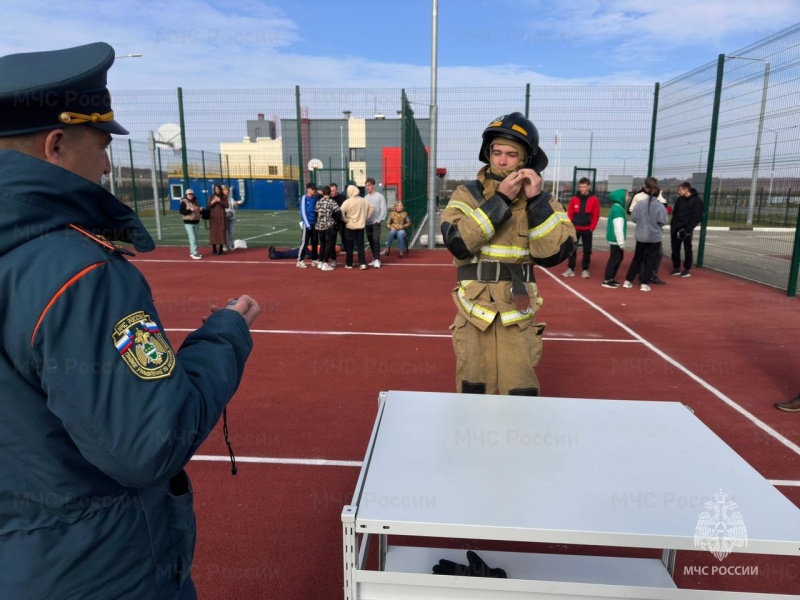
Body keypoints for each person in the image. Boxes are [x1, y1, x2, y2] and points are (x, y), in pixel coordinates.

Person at [0, 42, 261, 600]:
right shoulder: (78, 273)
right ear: (56, 144)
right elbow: (148, 443)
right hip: (91, 568)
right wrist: (225, 335)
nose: (108, 162)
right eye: (101, 142)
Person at [440, 112, 576, 395]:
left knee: (520, 393)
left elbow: (553, 254)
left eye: (511, 154)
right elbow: (458, 243)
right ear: (487, 153)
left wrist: (537, 202)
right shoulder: (466, 194)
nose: (502, 161)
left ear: (525, 159)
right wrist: (500, 199)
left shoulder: (545, 201)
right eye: (497, 152)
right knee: (473, 390)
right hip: (474, 311)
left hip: (518, 310)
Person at [623, 186, 668, 292]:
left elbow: (634, 218)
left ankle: (628, 281)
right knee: (650, 260)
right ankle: (644, 283)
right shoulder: (660, 206)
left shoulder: (639, 204)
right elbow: (663, 221)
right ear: (658, 195)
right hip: (654, 237)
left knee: (637, 259)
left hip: (641, 236)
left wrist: (642, 222)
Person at [563, 177, 600, 278]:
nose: (582, 189)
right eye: (580, 187)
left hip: (587, 229)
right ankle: (571, 268)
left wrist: (592, 227)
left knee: (587, 250)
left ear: (588, 186)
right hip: (575, 228)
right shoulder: (574, 199)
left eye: (584, 187)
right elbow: (570, 213)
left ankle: (585, 269)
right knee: (572, 249)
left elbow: (596, 214)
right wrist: (569, 226)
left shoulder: (594, 199)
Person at [670, 182, 705, 277]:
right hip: (676, 228)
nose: (678, 192)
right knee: (675, 248)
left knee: (687, 249)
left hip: (686, 229)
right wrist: (673, 225)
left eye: (680, 190)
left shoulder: (696, 201)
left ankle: (687, 268)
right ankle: (676, 267)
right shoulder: (679, 200)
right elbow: (675, 213)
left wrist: (688, 229)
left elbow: (697, 217)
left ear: (686, 190)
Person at [340, 184, 374, 270]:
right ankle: (362, 263)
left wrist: (345, 219)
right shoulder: (363, 200)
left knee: (349, 246)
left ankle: (349, 263)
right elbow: (372, 208)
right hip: (360, 227)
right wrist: (365, 217)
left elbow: (341, 211)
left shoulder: (348, 201)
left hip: (350, 226)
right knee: (360, 246)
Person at [602, 188, 628, 288]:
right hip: (616, 240)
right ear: (620, 197)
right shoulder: (617, 210)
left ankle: (611, 278)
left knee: (618, 258)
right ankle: (607, 279)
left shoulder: (617, 208)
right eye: (626, 195)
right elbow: (618, 227)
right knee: (615, 259)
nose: (628, 197)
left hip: (615, 240)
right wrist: (621, 242)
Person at [314, 185, 340, 271]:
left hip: (320, 226)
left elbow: (316, 213)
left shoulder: (318, 202)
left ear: (323, 193)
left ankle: (320, 261)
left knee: (322, 245)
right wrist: (335, 222)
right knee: (329, 245)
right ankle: (325, 263)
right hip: (329, 225)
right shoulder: (332, 202)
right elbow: (338, 212)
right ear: (329, 193)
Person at [364, 178, 387, 268]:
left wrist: (379, 220)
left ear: (374, 185)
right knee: (371, 242)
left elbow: (383, 209)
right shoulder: (365, 198)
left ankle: (377, 260)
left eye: (369, 185)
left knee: (376, 241)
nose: (367, 187)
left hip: (376, 223)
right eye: (366, 185)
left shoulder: (380, 196)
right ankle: (374, 258)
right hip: (367, 223)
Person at [297, 182, 319, 268]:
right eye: (313, 189)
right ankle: (300, 260)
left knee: (315, 242)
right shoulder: (304, 198)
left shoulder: (314, 198)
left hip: (314, 224)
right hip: (307, 224)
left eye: (315, 189)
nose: (314, 190)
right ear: (308, 189)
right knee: (304, 242)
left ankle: (314, 259)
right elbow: (303, 212)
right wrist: (307, 224)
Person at [179, 188, 203, 259]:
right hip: (188, 222)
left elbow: (199, 210)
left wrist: (200, 209)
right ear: (186, 195)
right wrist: (190, 210)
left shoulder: (196, 201)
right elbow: (182, 212)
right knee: (192, 238)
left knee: (195, 238)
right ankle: (195, 253)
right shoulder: (184, 202)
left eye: (191, 194)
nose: (190, 195)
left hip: (196, 221)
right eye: (189, 194)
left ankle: (192, 252)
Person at [207, 183, 228, 255]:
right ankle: (214, 249)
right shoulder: (211, 196)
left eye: (218, 189)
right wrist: (213, 202)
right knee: (214, 233)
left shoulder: (224, 197)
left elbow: (226, 205)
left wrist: (219, 201)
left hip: (221, 216)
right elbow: (209, 205)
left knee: (222, 232)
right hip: (213, 217)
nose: (217, 190)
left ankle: (221, 249)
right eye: (215, 189)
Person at [222, 184, 243, 252]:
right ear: (222, 191)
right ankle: (224, 245)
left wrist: (236, 204)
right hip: (224, 217)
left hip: (232, 217)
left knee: (231, 231)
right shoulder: (221, 199)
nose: (227, 191)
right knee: (225, 232)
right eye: (225, 190)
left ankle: (230, 244)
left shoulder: (231, 198)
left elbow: (233, 206)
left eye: (228, 190)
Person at [329, 182, 347, 258]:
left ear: (337, 190)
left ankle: (348, 259)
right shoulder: (328, 199)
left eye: (333, 190)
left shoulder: (342, 198)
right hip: (331, 223)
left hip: (341, 223)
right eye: (331, 191)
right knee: (331, 241)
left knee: (345, 239)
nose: (332, 192)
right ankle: (333, 259)